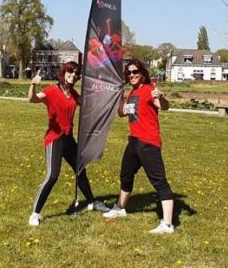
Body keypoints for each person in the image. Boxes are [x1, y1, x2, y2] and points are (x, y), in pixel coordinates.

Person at [27, 61, 110, 226]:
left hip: (69, 138)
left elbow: (88, 106)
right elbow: (33, 99)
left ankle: (92, 202)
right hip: (55, 139)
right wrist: (32, 85)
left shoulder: (73, 94)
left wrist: (104, 92)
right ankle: (35, 214)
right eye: (69, 73)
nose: (72, 77)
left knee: (81, 170)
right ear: (63, 74)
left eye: (75, 74)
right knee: (53, 175)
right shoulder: (51, 90)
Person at [103, 59, 175, 234]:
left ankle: (167, 224)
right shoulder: (131, 93)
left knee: (159, 181)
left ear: (142, 74)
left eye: (135, 72)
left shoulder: (150, 90)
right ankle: (120, 208)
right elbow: (121, 113)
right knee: (126, 175)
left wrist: (162, 98)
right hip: (134, 141)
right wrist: (120, 94)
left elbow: (164, 107)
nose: (132, 75)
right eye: (129, 73)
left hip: (148, 142)